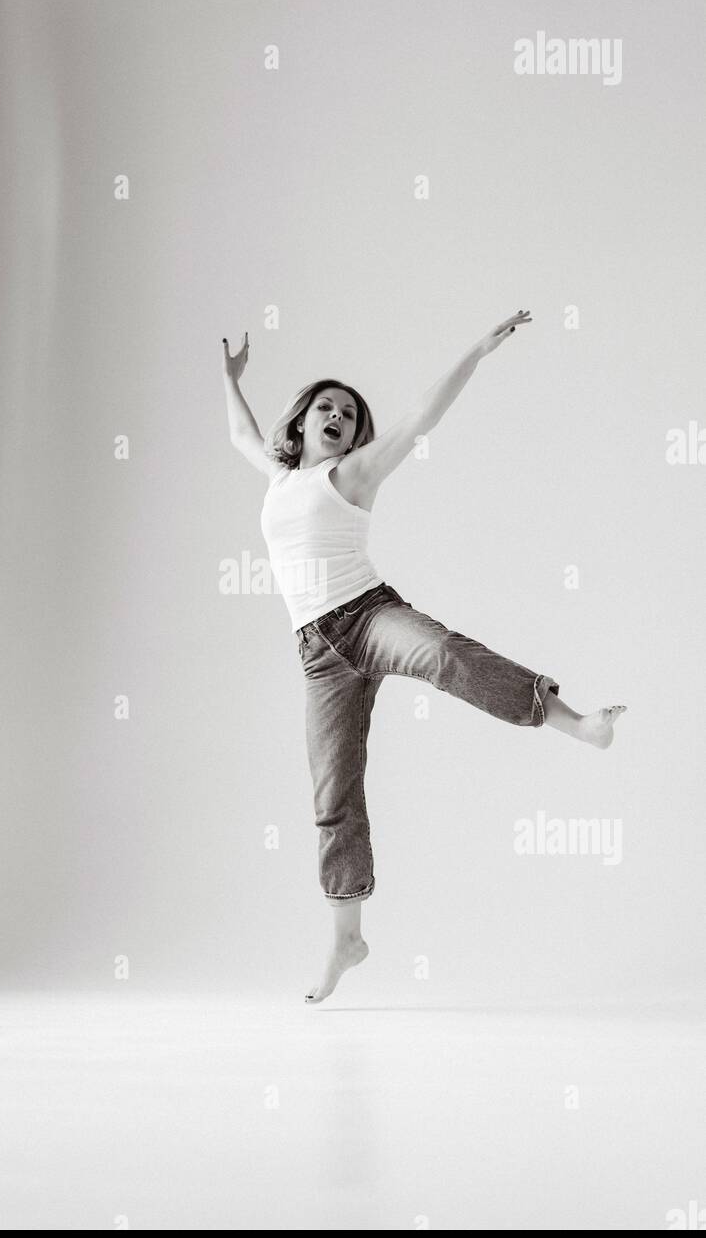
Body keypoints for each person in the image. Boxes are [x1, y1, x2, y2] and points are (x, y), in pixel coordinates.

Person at [222, 314, 626, 1003]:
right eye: (326, 406)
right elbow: (238, 433)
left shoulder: (352, 473)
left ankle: (577, 723)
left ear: (353, 437)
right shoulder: (278, 475)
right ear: (300, 422)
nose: (338, 416)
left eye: (349, 414)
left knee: (443, 653)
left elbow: (418, 416)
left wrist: (476, 350)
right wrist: (229, 379)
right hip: (318, 654)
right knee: (333, 793)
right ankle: (347, 937)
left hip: (367, 616)